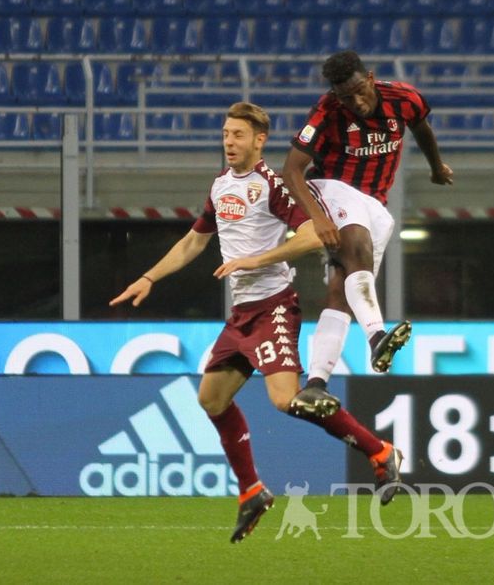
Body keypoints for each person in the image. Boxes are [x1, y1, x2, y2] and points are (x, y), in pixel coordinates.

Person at [110, 101, 404, 544]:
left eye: (238, 135)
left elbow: (311, 235)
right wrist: (149, 277)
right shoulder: (221, 186)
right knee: (211, 399)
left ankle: (381, 452)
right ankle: (252, 491)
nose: (229, 141)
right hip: (241, 317)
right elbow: (194, 241)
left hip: (273, 308)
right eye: (226, 134)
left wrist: (257, 259)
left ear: (259, 141)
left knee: (288, 401)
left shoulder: (273, 185)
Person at [283, 50, 453, 410]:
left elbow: (421, 128)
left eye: (360, 90)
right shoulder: (327, 111)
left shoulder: (405, 99)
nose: (356, 101)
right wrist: (317, 217)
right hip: (332, 187)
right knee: (357, 247)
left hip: (376, 202)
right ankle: (377, 336)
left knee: (342, 293)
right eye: (347, 96)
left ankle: (315, 383)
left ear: (371, 78)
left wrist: (436, 167)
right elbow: (292, 170)